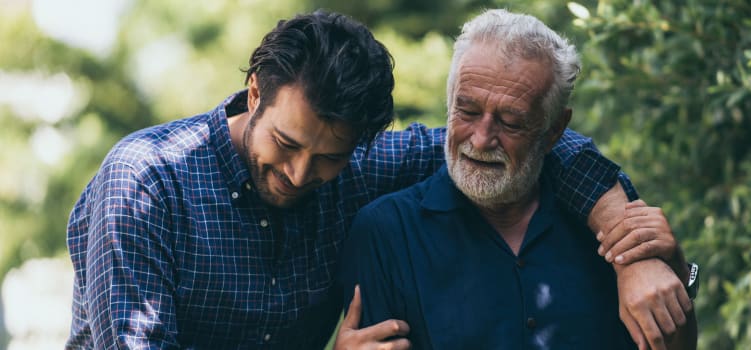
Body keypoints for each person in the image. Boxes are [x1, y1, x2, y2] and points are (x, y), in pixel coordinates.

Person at [65, 10, 687, 350]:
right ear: (254, 92)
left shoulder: (356, 171)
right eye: (285, 143)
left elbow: (540, 146)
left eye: (329, 158)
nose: (300, 174)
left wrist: (630, 246)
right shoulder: (145, 184)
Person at [339, 9, 697, 350]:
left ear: (555, 129)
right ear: (449, 103)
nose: (480, 139)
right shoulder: (385, 232)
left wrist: (674, 271)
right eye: (467, 110)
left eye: (510, 122)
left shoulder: (609, 215)